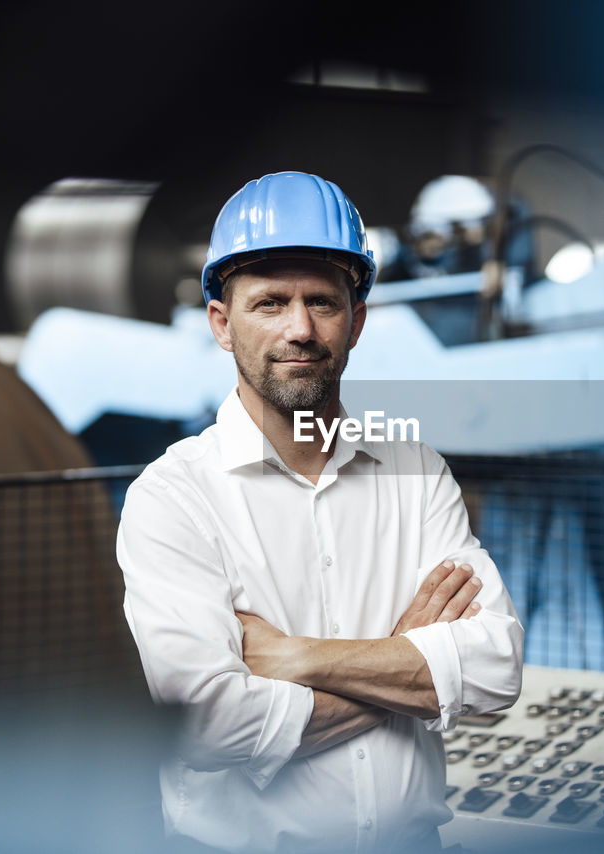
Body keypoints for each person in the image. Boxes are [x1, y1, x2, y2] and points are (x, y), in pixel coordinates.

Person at [116, 171, 524, 853]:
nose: (300, 329)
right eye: (270, 303)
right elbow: (207, 725)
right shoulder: (173, 497)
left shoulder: (416, 473)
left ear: (356, 321)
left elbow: (494, 667)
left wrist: (294, 657)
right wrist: (404, 661)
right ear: (222, 323)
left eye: (323, 304)